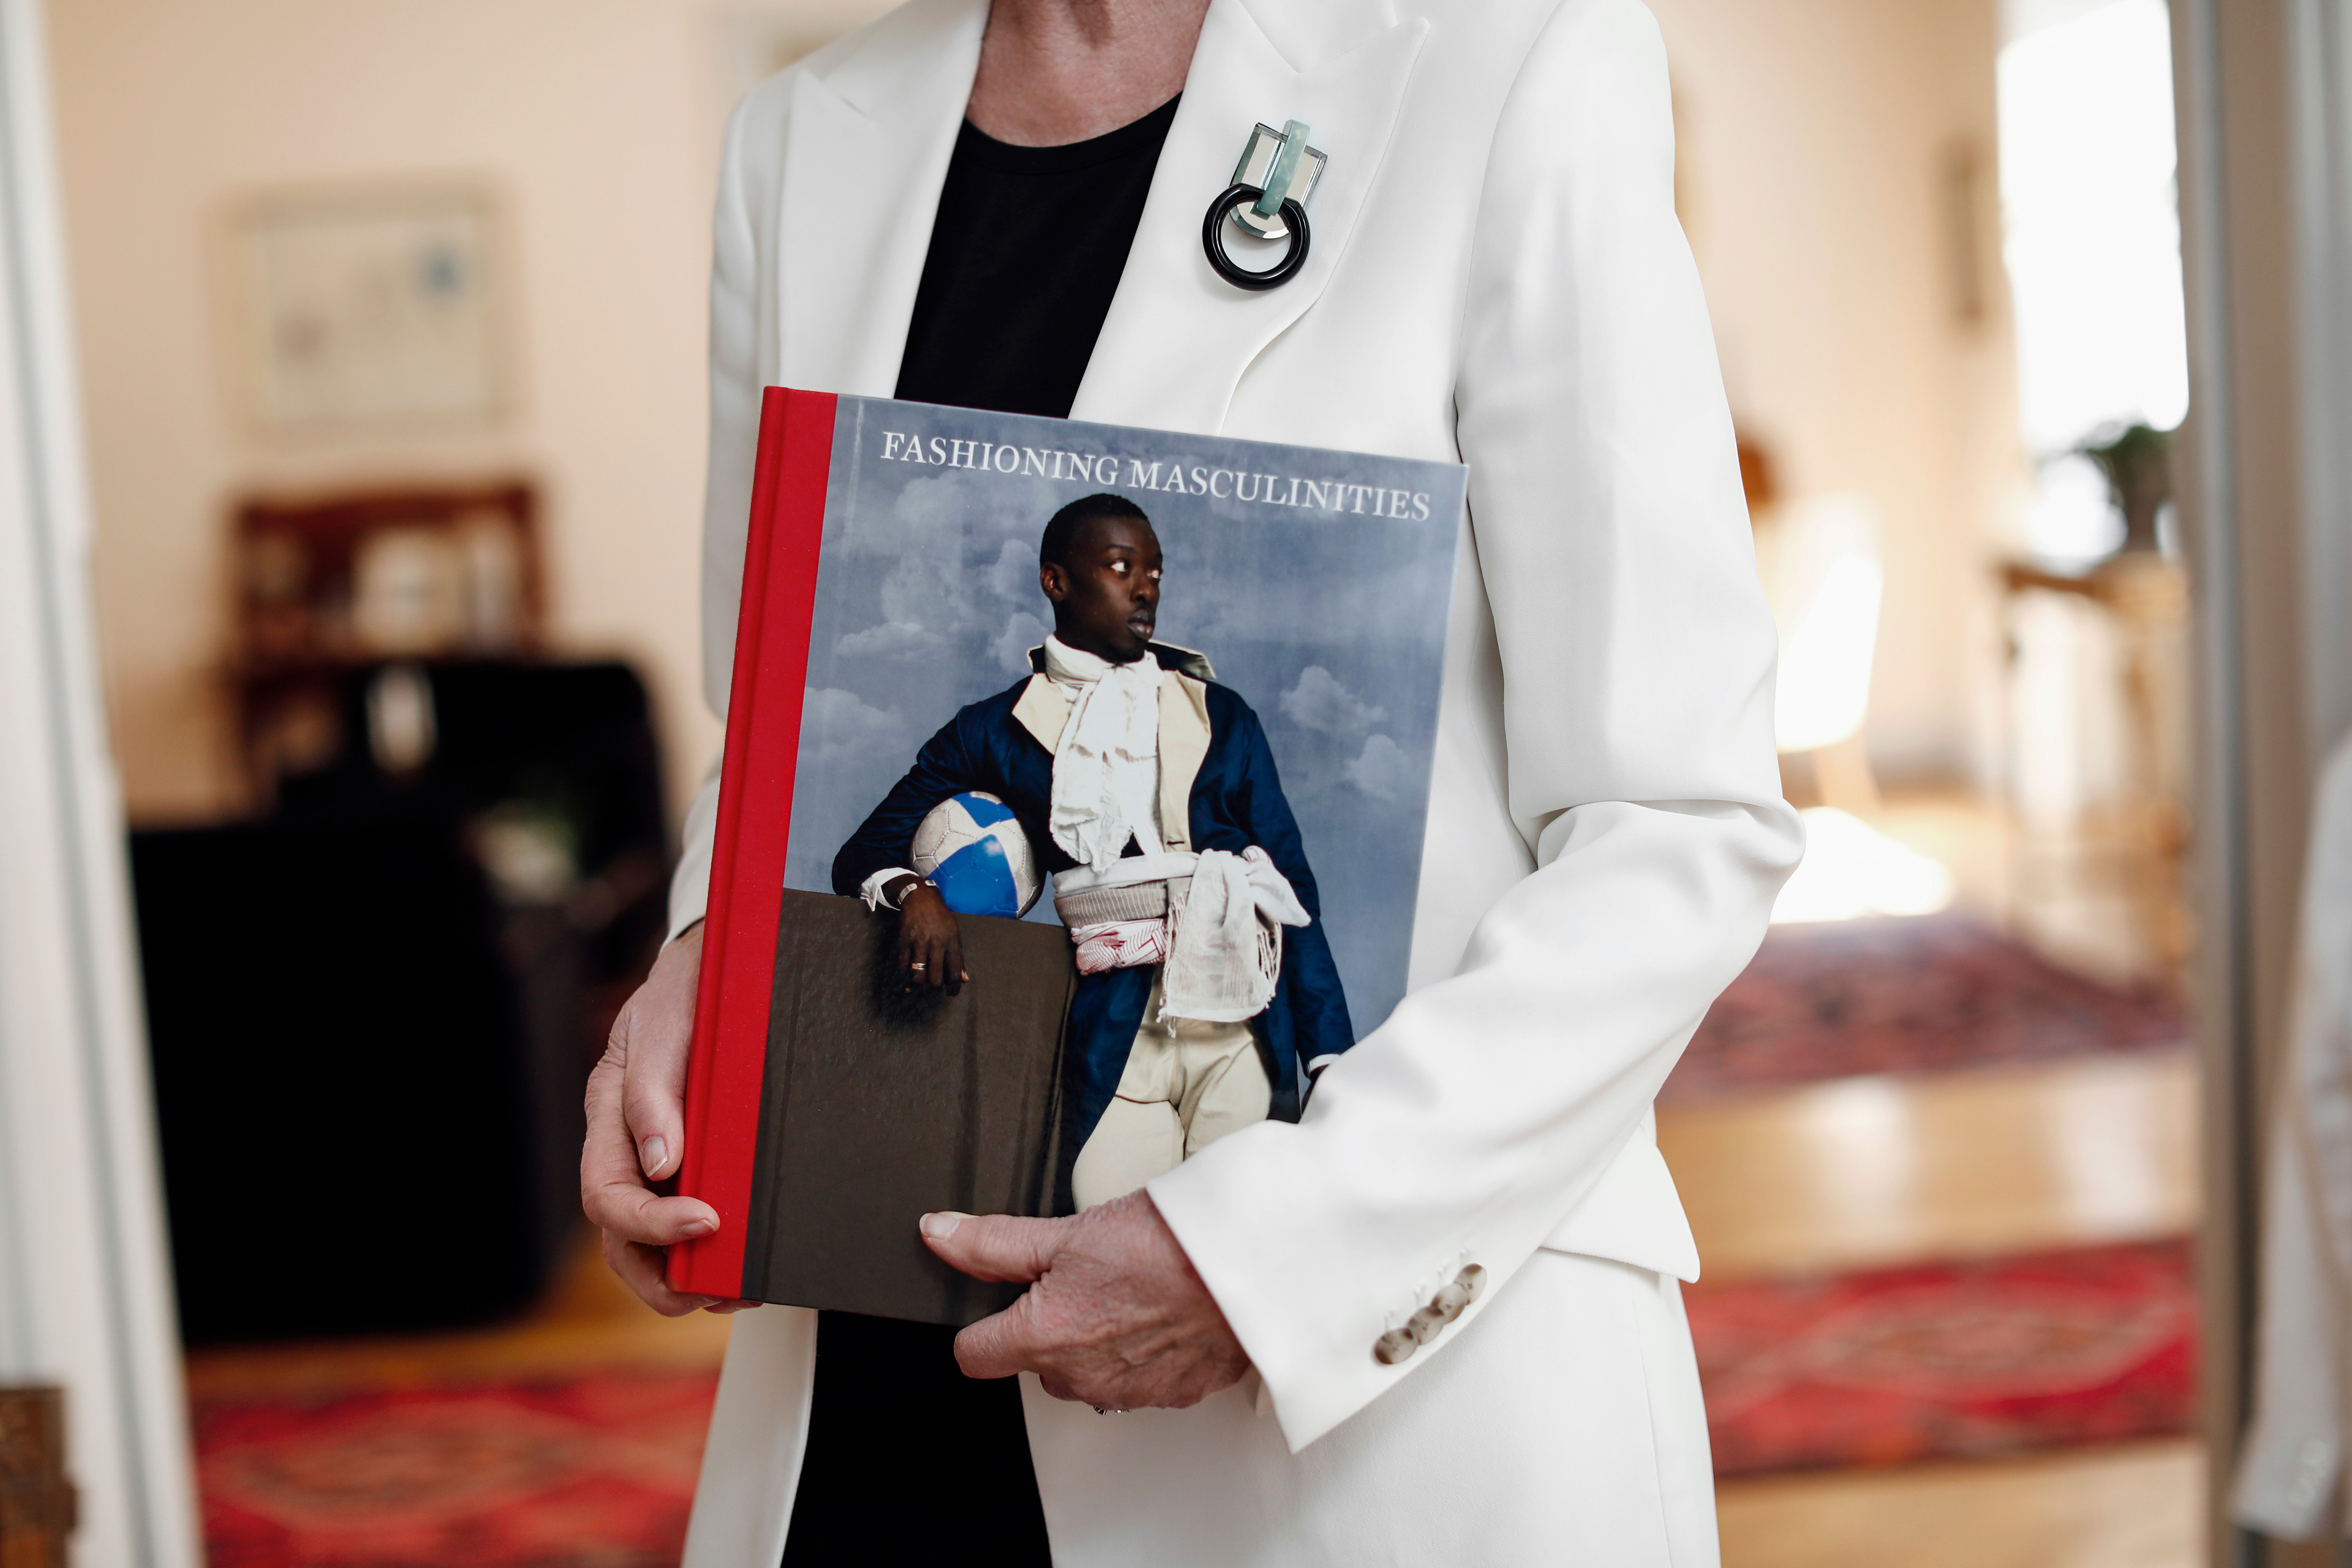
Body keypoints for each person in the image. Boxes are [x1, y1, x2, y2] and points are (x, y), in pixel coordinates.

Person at [579, 0, 1806, 1555]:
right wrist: (706, 965)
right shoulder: (795, 139)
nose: (1141, 590)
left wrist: (1273, 1252)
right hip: (886, 1349)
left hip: (1365, 1399)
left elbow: (1675, 818)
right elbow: (764, 720)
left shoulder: (1517, 59)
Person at [832, 491, 1353, 1213]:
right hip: (1115, 1025)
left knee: (1235, 1231)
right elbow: (863, 850)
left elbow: (1291, 885)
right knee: (1108, 1227)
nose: (1145, 589)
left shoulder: (1222, 714)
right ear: (1056, 581)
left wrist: (1330, 1058)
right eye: (1120, 567)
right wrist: (913, 893)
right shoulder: (994, 728)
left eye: (1155, 572)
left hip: (1242, 1013)